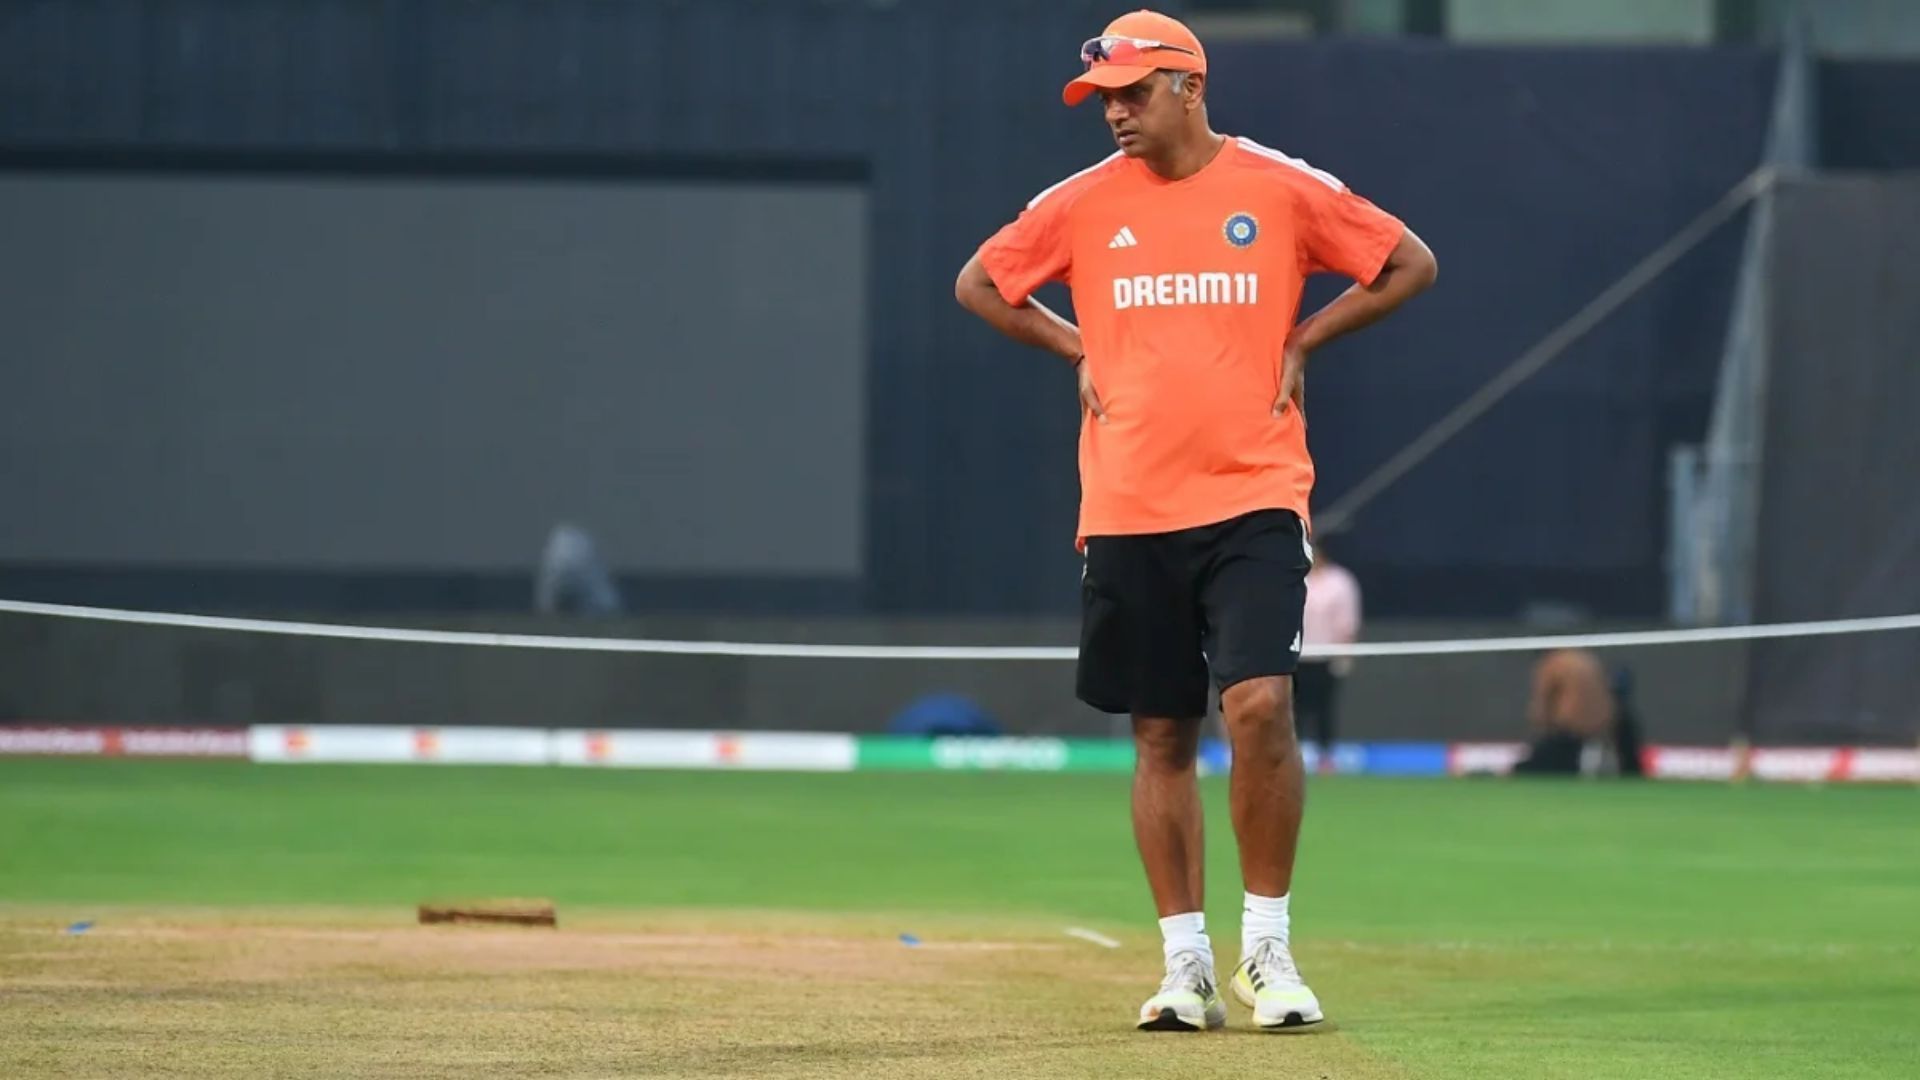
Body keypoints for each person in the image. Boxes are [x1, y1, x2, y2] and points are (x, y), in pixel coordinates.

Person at [953, 9, 1436, 1033]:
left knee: (1259, 705)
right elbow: (982, 283)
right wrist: (1075, 348)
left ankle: (1267, 949)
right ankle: (1187, 968)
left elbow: (1406, 263)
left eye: (1133, 93)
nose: (1116, 114)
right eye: (1104, 100)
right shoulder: (1080, 204)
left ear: (1191, 88)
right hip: (1127, 506)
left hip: (1255, 495)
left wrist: (1309, 334)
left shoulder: (1276, 184)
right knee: (1161, 732)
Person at [1513, 649, 1646, 777]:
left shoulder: (1551, 664)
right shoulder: (1586, 659)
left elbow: (1540, 708)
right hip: (1608, 723)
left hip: (1570, 729)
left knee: (1534, 768)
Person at [1297, 543, 1362, 770]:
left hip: (1326, 658)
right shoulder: (1294, 576)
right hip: (1295, 657)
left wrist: (1344, 656)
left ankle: (1326, 759)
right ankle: (1291, 758)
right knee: (1291, 710)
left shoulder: (1340, 582)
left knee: (1324, 709)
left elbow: (1347, 622)